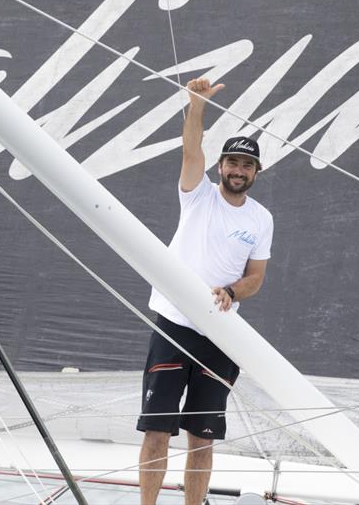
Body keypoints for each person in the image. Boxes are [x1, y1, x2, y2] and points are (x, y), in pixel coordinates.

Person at [136, 78, 274, 505]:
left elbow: (256, 278)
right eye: (231, 163)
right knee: (158, 431)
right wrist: (195, 105)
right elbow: (190, 149)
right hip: (174, 328)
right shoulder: (197, 197)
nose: (238, 170)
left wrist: (233, 291)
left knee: (202, 438)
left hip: (220, 336)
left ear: (255, 173)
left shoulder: (261, 219)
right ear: (220, 167)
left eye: (246, 165)